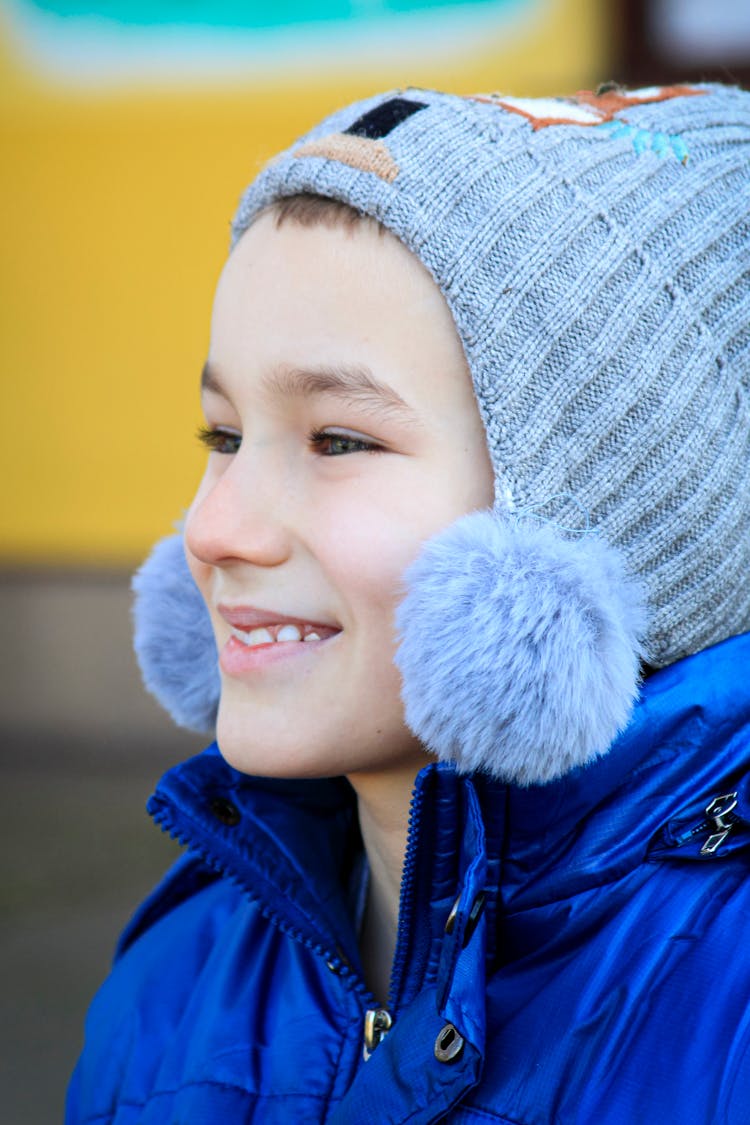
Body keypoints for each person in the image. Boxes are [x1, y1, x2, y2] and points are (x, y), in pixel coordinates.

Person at [67, 83, 750, 1124]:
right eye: (224, 436)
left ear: (607, 520)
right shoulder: (171, 987)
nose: (212, 531)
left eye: (338, 441)